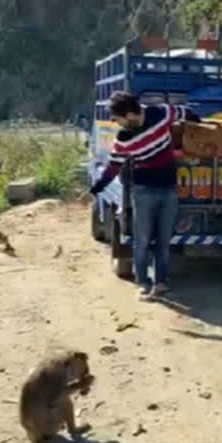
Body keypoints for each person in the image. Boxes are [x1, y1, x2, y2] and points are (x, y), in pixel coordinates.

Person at [85, 91, 200, 301]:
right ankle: (144, 283)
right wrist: (96, 189)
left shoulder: (162, 113)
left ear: (129, 115)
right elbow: (113, 167)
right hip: (143, 191)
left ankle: (161, 283)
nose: (116, 122)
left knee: (164, 241)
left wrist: (201, 130)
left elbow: (186, 112)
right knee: (143, 240)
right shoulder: (123, 138)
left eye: (117, 118)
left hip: (169, 190)